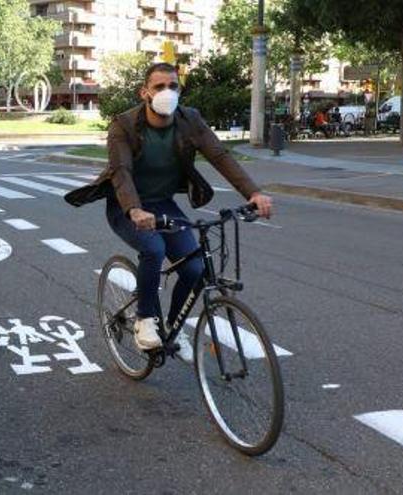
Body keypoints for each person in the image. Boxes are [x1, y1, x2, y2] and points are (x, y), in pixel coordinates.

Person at [64, 63, 273, 360]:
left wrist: (253, 192)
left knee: (195, 267)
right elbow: (121, 171)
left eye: (173, 86)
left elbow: (219, 155)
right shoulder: (123, 124)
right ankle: (145, 321)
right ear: (145, 92)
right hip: (126, 206)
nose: (167, 92)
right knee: (154, 248)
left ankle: (172, 328)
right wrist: (134, 210)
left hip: (162, 205)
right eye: (159, 87)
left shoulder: (190, 120)